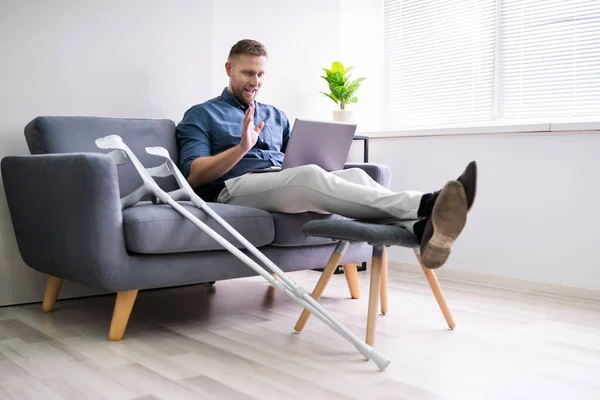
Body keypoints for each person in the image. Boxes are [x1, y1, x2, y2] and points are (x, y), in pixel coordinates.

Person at [175, 39, 477, 269]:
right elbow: (195, 175)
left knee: (356, 174)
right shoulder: (202, 114)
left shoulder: (275, 115)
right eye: (247, 73)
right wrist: (242, 148)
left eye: (261, 74)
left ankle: (419, 228)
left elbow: (298, 159)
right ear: (229, 69)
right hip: (234, 189)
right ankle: (426, 203)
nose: (255, 81)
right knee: (308, 176)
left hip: (283, 183)